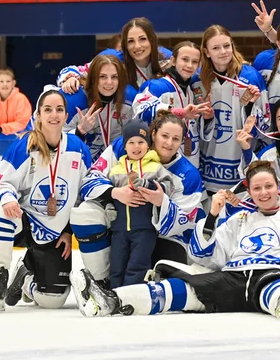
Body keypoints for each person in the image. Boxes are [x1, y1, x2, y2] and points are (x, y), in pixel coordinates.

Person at [71, 160, 280, 320]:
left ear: (278, 187)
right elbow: (205, 256)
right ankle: (110, 301)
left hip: (276, 272)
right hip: (233, 277)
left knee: (271, 287)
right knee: (182, 290)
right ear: (249, 192)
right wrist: (214, 215)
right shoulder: (238, 219)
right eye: (257, 188)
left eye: (269, 186)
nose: (264, 193)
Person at [0, 87, 109, 312]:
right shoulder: (25, 146)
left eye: (59, 110)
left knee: (53, 299)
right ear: (38, 115)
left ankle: (25, 278)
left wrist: (69, 231)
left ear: (65, 115)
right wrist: (9, 199)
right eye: (48, 109)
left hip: (55, 229)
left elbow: (83, 194)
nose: (54, 115)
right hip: (24, 220)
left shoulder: (78, 148)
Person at [72, 112, 204, 293]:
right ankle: (102, 283)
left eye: (176, 139)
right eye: (164, 136)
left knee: (156, 275)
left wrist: (161, 202)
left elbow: (185, 222)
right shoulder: (126, 146)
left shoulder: (188, 175)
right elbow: (89, 180)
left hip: (158, 235)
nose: (169, 143)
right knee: (84, 213)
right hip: (121, 227)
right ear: (153, 134)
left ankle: (131, 293)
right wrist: (116, 193)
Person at [195, 25, 270, 194]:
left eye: (227, 46)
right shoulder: (199, 78)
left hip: (239, 161)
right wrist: (205, 118)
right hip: (209, 164)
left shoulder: (250, 77)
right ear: (206, 52)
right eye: (216, 48)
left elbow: (265, 121)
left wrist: (250, 105)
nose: (223, 52)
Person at [105, 119, 171, 288]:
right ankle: (115, 294)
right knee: (117, 264)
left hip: (144, 228)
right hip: (119, 229)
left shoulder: (155, 167)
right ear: (125, 146)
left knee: (138, 264)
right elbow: (108, 194)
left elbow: (167, 187)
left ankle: (131, 296)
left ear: (148, 145)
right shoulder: (116, 169)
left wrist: (146, 184)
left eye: (141, 142)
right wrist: (109, 207)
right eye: (131, 142)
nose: (136, 147)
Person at [132, 40, 208, 164]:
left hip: (191, 161)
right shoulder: (156, 86)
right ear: (173, 60)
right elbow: (139, 112)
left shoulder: (192, 89)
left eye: (194, 62)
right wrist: (178, 112)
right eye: (185, 59)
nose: (189, 65)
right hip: (161, 164)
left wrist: (207, 118)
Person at [59, 17, 172, 93]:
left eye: (142, 39)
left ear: (151, 40)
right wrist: (71, 79)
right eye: (131, 41)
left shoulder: (166, 58)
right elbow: (72, 70)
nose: (137, 46)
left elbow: (188, 71)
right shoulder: (114, 59)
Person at [64, 53, 137, 160]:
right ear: (93, 78)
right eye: (102, 77)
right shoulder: (74, 99)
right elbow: (57, 141)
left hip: (111, 165)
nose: (109, 82)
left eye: (114, 77)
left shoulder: (130, 97)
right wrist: (79, 131)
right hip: (75, 163)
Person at [0, 67, 31, 139]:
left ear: (13, 83)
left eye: (8, 81)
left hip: (20, 139)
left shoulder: (21, 99)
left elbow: (22, 123)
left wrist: (2, 129)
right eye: (1, 81)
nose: (5, 84)